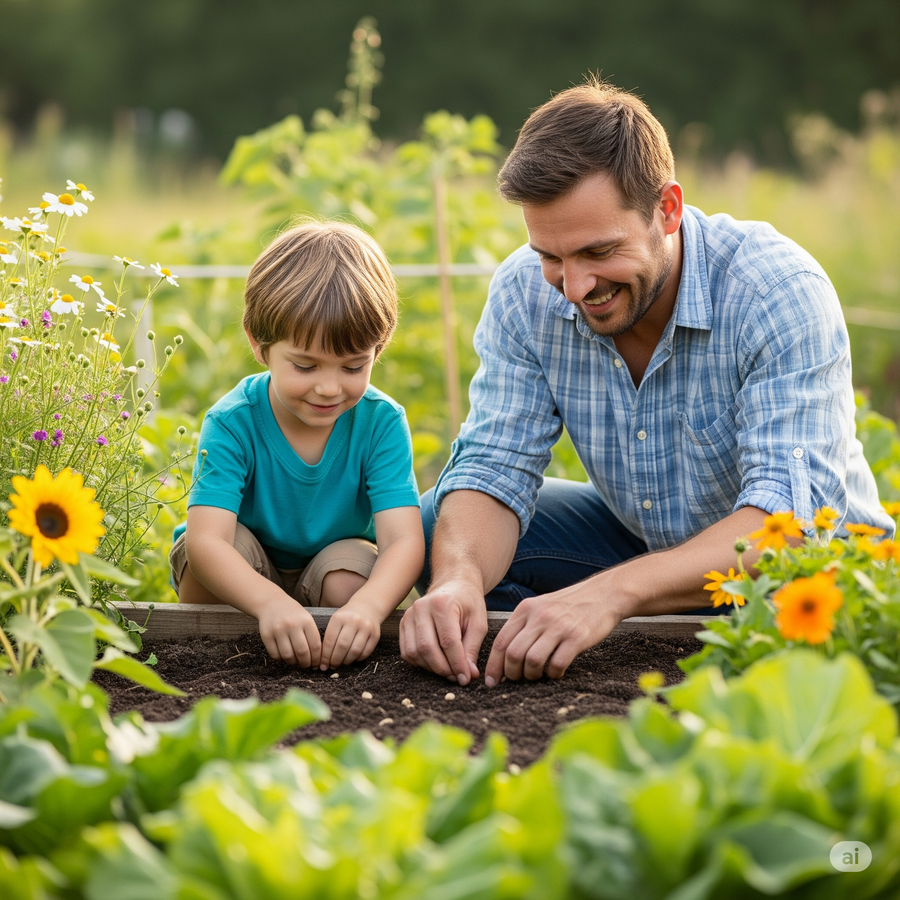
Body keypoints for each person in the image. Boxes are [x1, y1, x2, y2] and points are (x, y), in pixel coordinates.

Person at [400, 76, 894, 688]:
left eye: (598, 252)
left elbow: (791, 523)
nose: (575, 287)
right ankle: (542, 643)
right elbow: (493, 467)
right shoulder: (525, 292)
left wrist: (609, 595)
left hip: (805, 581)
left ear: (668, 209)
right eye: (552, 256)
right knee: (438, 531)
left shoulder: (774, 291)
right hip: (643, 546)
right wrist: (456, 582)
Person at [170, 220, 424, 670]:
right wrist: (269, 603)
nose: (329, 388)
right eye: (305, 366)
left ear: (377, 350)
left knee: (352, 581)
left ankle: (329, 643)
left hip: (329, 566)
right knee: (201, 566)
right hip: (245, 567)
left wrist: (368, 609)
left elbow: (403, 540)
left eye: (352, 367)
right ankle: (216, 657)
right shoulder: (233, 421)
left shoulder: (381, 422)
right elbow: (209, 541)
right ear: (259, 344)